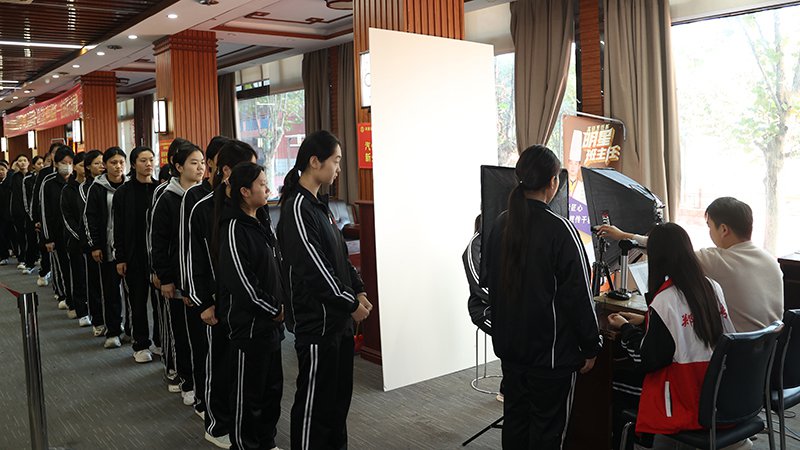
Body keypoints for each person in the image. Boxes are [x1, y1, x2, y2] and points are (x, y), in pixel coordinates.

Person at [483, 144, 602, 450]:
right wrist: (591, 345)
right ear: (553, 182)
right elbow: (579, 295)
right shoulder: (560, 230)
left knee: (516, 425)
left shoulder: (500, 224)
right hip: (550, 358)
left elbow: (489, 283)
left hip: (511, 351)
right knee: (547, 433)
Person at [277, 130, 371, 450]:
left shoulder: (320, 206)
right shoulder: (297, 207)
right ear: (315, 162)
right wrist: (350, 303)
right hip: (317, 325)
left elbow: (339, 259)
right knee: (314, 407)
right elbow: (314, 270)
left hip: (337, 322)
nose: (339, 169)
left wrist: (358, 290)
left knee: (337, 403)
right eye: (336, 161)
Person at [608, 223, 735, 447]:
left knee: (612, 380)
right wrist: (647, 320)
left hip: (683, 393)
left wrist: (626, 328)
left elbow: (647, 360)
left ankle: (640, 438)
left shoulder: (665, 299)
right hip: (716, 388)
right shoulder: (711, 287)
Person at [597, 197, 783, 332]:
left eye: (710, 226)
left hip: (729, 358)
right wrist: (646, 319)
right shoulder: (771, 261)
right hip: (766, 359)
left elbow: (668, 249)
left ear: (724, 229)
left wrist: (623, 236)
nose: (710, 232)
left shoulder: (718, 260)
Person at [185, 138, 258, 449]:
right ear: (227, 171)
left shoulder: (249, 205)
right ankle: (216, 426)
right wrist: (203, 301)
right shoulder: (203, 206)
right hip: (216, 303)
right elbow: (193, 258)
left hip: (247, 302)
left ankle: (244, 423)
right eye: (249, 168)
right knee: (219, 363)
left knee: (245, 368)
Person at [216, 162, 286, 450]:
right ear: (244, 191)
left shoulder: (262, 221)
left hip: (271, 327)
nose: (267, 189)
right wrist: (273, 309)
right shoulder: (233, 228)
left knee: (272, 392)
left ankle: (266, 442)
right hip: (250, 328)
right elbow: (242, 283)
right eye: (262, 184)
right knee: (249, 397)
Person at [177, 135, 230, 422]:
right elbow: (188, 246)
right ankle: (202, 398)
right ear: (213, 164)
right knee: (202, 348)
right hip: (201, 290)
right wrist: (189, 289)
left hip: (227, 294)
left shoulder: (236, 197)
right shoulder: (196, 198)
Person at [151, 139, 206, 409]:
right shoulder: (167, 198)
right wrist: (165, 277)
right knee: (181, 333)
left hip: (199, 279)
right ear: (179, 167)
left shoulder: (204, 197)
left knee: (200, 335)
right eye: (194, 163)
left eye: (203, 163)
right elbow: (158, 242)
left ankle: (202, 382)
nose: (200, 168)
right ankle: (187, 381)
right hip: (176, 277)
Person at [113, 146, 161, 363]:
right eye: (143, 160)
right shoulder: (124, 192)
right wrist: (120, 257)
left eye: (151, 159)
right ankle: (141, 344)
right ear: (133, 164)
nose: (148, 164)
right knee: (138, 303)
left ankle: (160, 341)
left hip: (157, 257)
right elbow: (118, 227)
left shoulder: (160, 189)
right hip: (134, 256)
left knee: (160, 304)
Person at [85, 147, 128, 349]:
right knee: (111, 292)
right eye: (113, 162)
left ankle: (132, 329)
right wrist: (95, 245)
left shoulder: (130, 185)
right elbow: (90, 218)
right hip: (108, 247)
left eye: (121, 162)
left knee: (132, 294)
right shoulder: (97, 187)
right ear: (105, 165)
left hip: (129, 248)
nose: (118, 166)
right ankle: (113, 331)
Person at [40, 145, 75, 311]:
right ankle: (64, 295)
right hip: (56, 232)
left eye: (70, 162)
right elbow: (44, 211)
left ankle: (77, 298)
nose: (67, 166)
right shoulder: (48, 183)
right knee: (61, 267)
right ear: (56, 163)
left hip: (74, 233)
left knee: (76, 268)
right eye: (63, 163)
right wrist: (47, 238)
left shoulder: (76, 181)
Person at [61, 152, 90, 327]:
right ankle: (82, 311)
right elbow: (68, 218)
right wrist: (82, 237)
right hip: (76, 241)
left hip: (93, 242)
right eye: (80, 165)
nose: (84, 168)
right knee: (79, 276)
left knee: (94, 280)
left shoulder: (93, 187)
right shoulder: (68, 189)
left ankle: (96, 311)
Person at [81, 150, 106, 336]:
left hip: (110, 242)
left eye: (102, 163)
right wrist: (93, 244)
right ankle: (98, 320)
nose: (101, 166)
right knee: (95, 284)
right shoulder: (86, 188)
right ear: (88, 166)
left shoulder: (109, 185)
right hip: (92, 242)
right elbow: (87, 217)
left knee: (112, 287)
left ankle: (114, 321)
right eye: (97, 163)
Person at [9, 155, 31, 272]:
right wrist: (13, 169)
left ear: (28, 163)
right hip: (18, 211)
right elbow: (9, 187)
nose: (22, 163)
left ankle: (31, 257)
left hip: (29, 211)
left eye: (24, 160)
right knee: (20, 235)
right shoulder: (14, 177)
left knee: (30, 235)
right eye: (20, 161)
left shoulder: (32, 176)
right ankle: (22, 258)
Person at [0, 160, 14, 264]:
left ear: (6, 170)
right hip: (1, 215)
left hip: (10, 213)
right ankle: (4, 256)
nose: (0, 172)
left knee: (12, 235)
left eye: (2, 169)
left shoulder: (10, 182)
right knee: (1, 235)